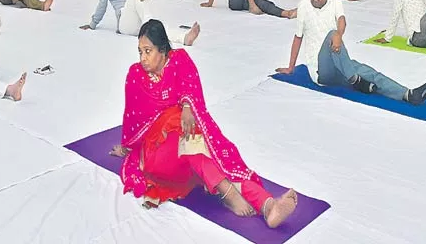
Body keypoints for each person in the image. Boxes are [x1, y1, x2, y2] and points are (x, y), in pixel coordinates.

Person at [109, 19, 298, 228]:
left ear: (162, 49)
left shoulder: (180, 60)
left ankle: (268, 205)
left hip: (187, 148)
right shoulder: (136, 75)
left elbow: (191, 90)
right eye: (140, 52)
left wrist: (188, 108)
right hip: (158, 155)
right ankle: (230, 195)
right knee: (179, 124)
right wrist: (127, 147)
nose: (143, 58)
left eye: (148, 51)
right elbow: (133, 119)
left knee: (213, 157)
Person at [276, 0, 426, 105]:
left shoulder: (334, 1)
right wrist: (291, 68)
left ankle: (408, 94)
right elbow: (298, 38)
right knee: (332, 35)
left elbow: (342, 20)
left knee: (371, 74)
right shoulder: (304, 6)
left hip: (340, 63)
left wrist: (339, 34)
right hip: (320, 71)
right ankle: (354, 79)